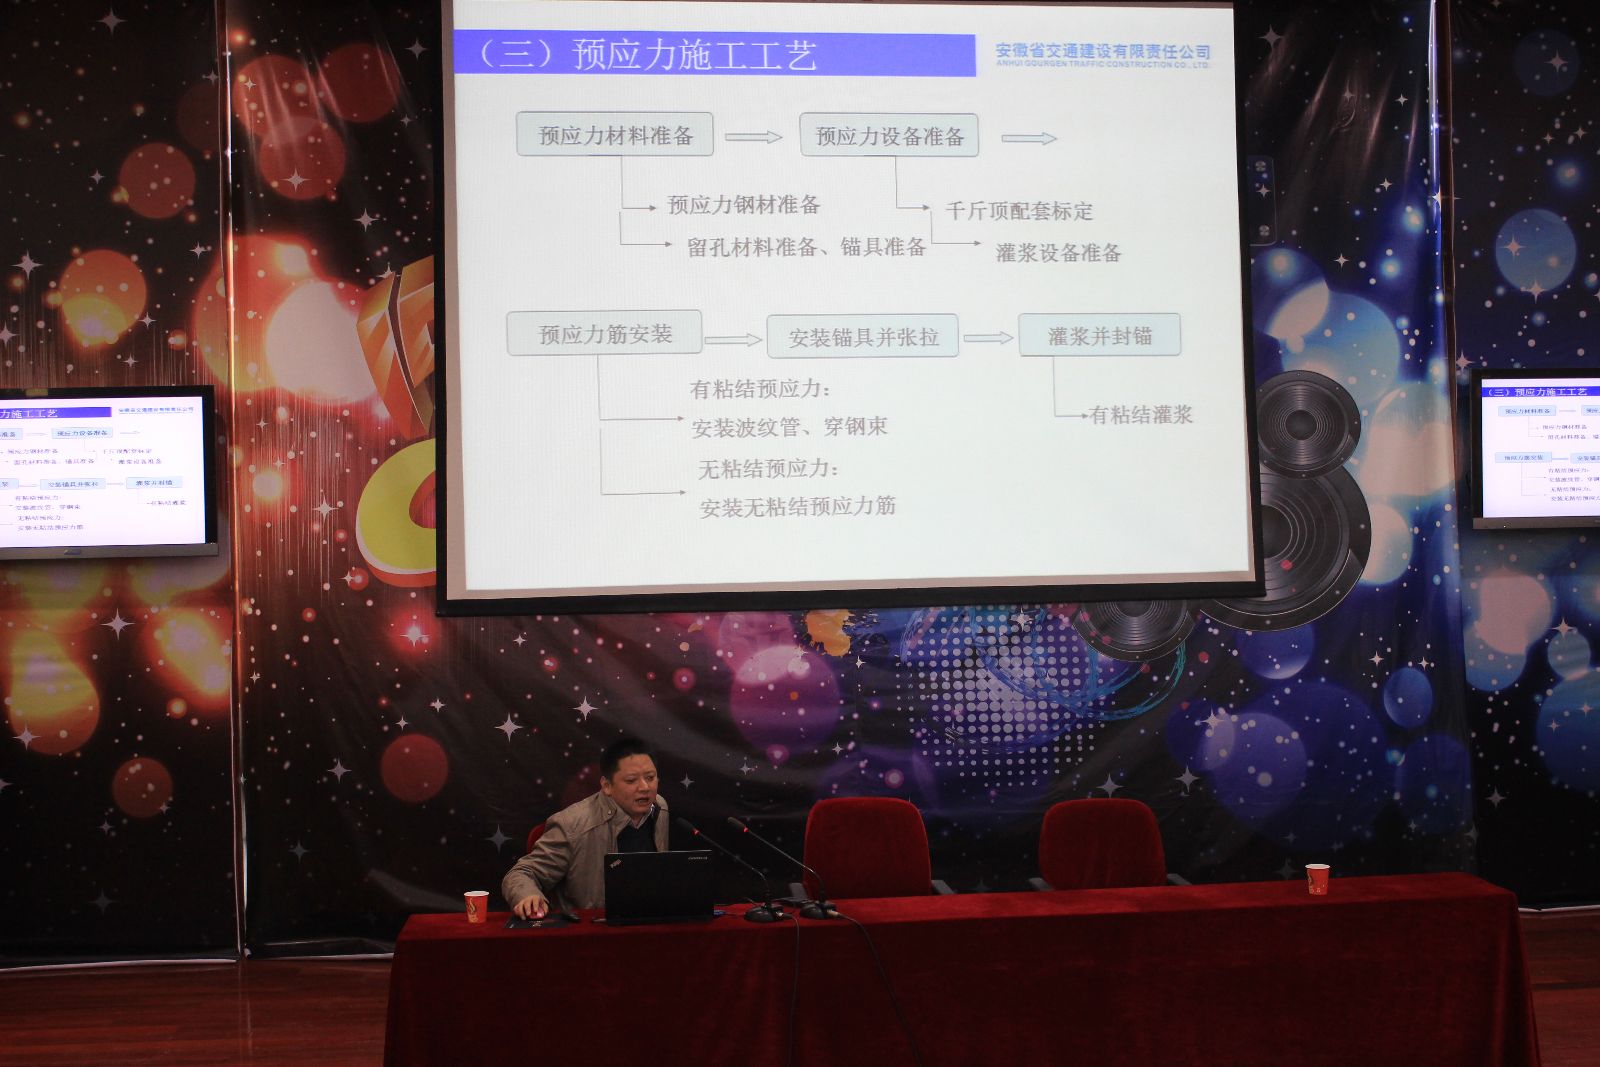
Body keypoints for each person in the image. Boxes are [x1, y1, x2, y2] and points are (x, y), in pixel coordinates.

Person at [503, 735, 669, 917]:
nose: (645, 787)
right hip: (595, 925)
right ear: (607, 785)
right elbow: (522, 873)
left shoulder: (659, 807)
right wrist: (529, 895)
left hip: (649, 918)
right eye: (631, 780)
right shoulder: (571, 825)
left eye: (650, 777)